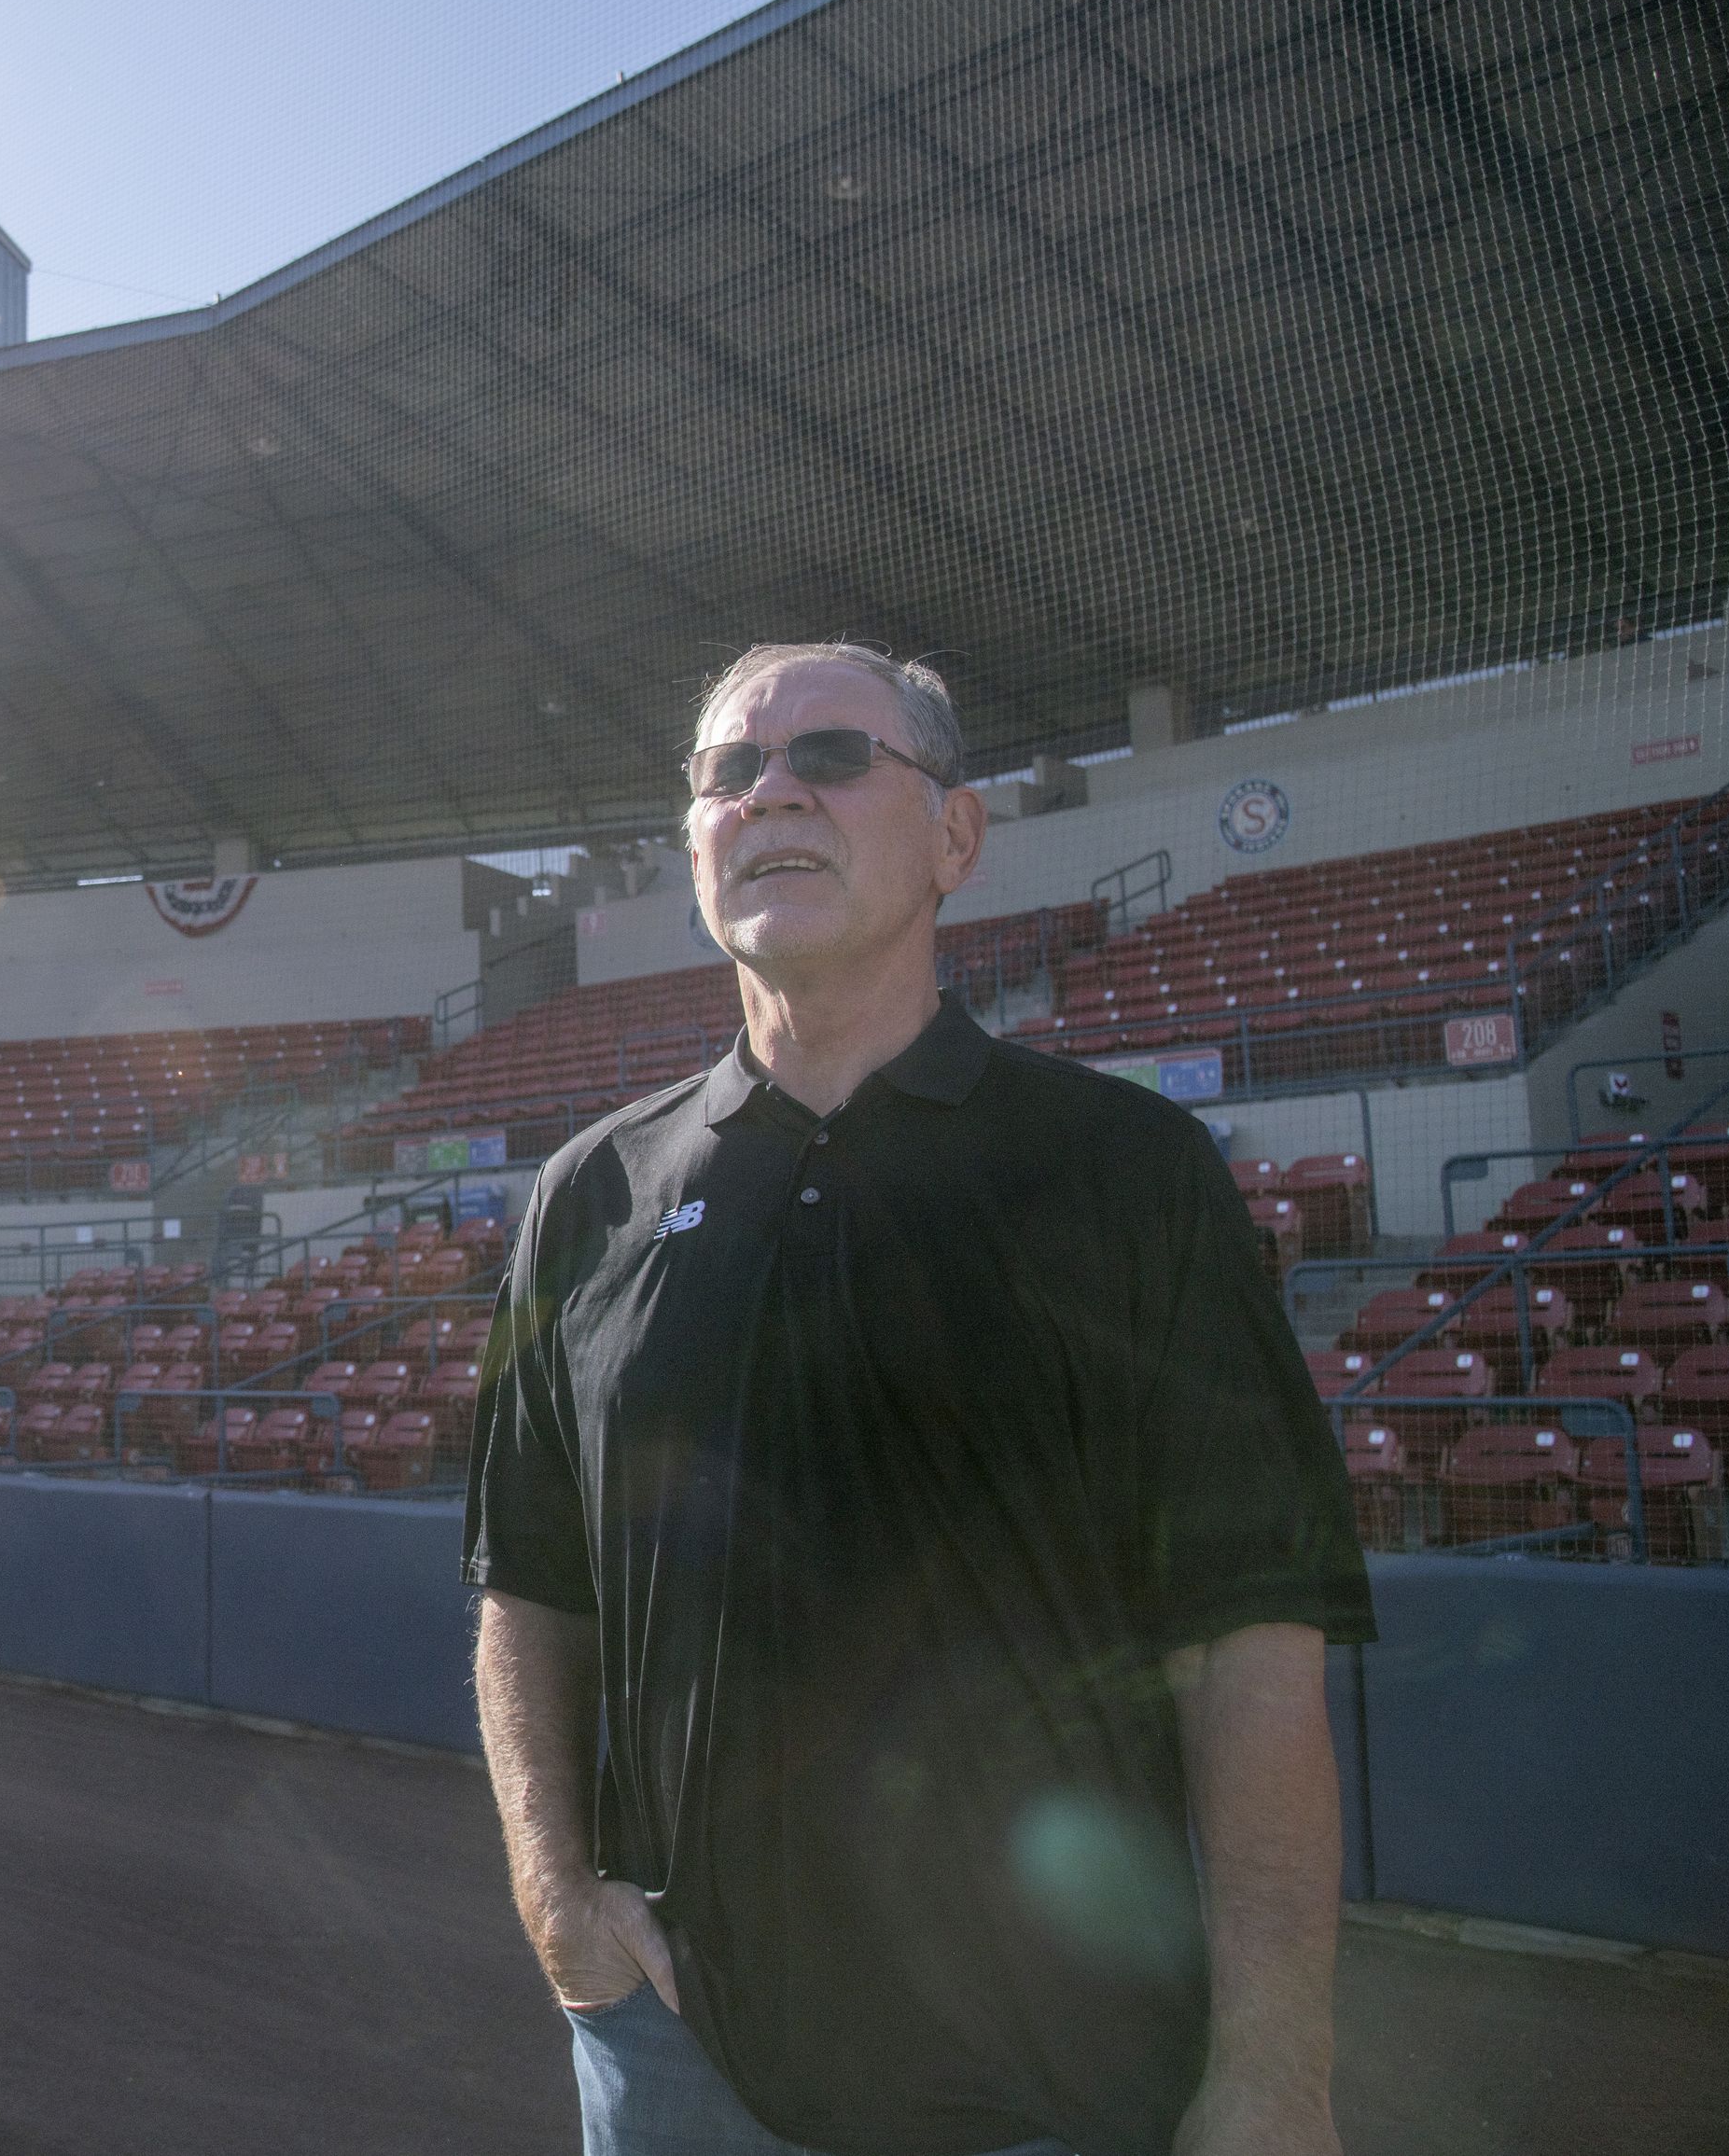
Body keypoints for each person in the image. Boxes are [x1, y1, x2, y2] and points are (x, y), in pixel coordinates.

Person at [465, 643, 1375, 2156]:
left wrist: (1278, 2068)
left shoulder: (1125, 1176)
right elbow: (528, 1594)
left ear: (956, 837)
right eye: (726, 772)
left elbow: (1251, 1651)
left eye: (829, 757)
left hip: (1063, 2083)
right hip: (683, 2063)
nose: (770, 793)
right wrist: (560, 1904)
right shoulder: (589, 1199)